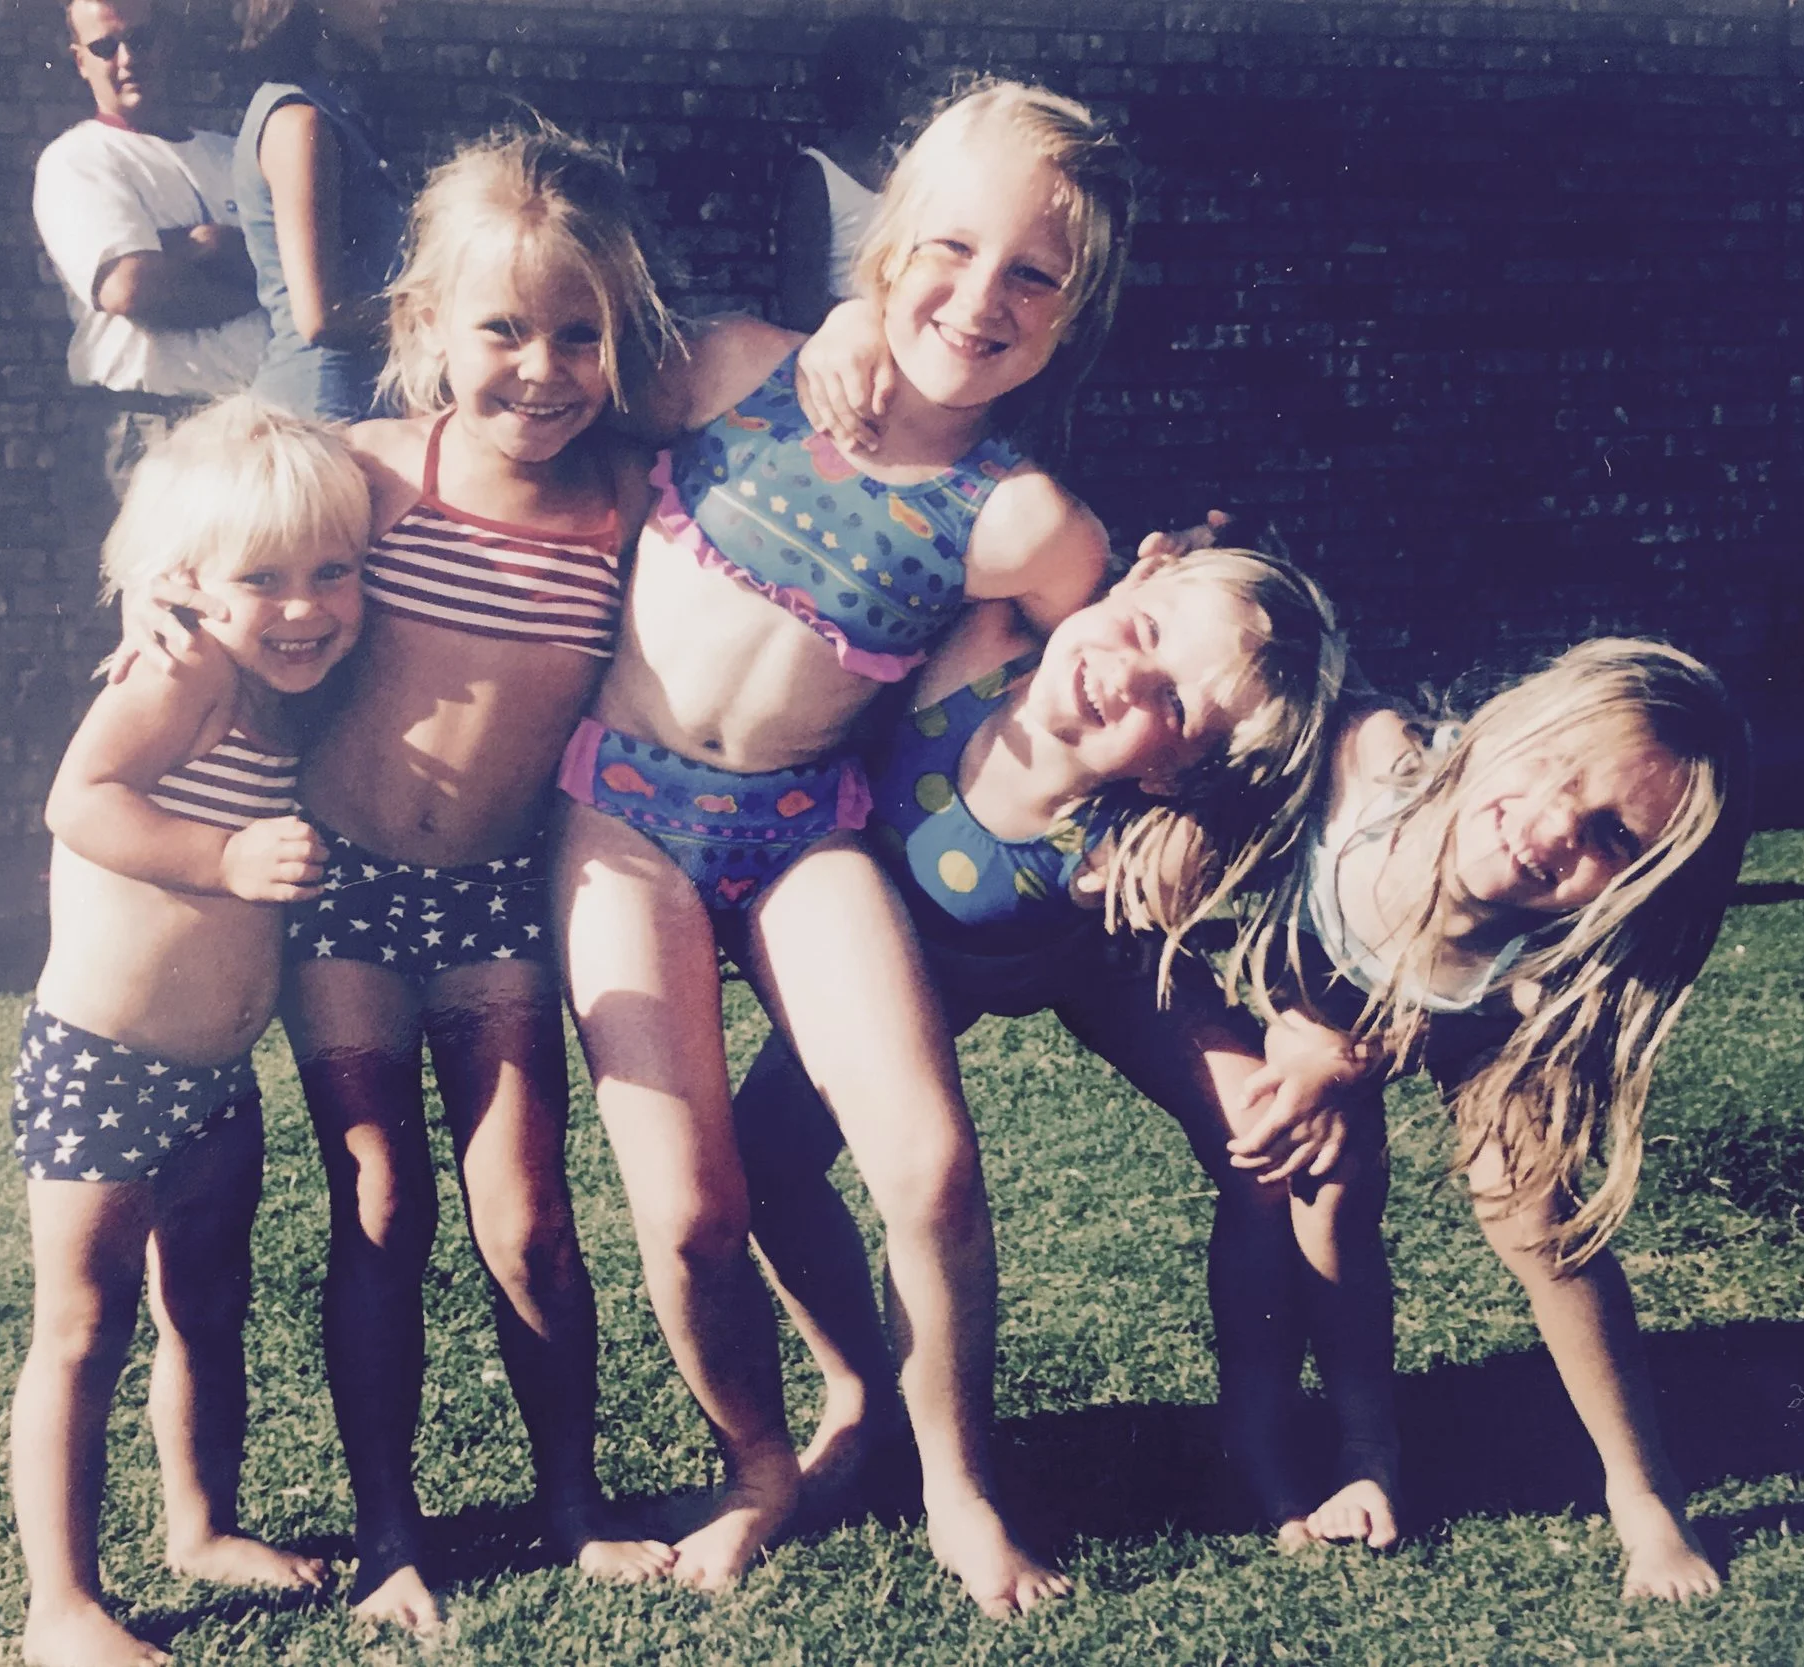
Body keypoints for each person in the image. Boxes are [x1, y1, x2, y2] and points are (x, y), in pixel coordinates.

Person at [552, 80, 1133, 1614]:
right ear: (887, 241)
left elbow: (1121, 676)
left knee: (931, 1167)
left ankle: (959, 1482)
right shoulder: (738, 368)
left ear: (1076, 312)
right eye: (949, 248)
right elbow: (526, 398)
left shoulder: (1025, 522)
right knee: (690, 1209)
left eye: (1033, 274)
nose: (980, 297)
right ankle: (763, 1459)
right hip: (622, 814)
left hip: (810, 824)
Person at [121, 127, 684, 1634]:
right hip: (346, 893)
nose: (542, 369)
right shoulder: (373, 473)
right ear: (428, 323)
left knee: (530, 1210)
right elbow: (215, 518)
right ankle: (388, 1532)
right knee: (379, 1197)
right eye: (503, 329)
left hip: (497, 896)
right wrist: (152, 608)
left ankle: (574, 1503)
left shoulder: (627, 504)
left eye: (580, 333)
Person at [726, 544, 1357, 1544]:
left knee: (1266, 1143)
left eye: (1174, 705)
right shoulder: (976, 648)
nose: (1126, 675)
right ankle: (859, 1396)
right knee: (759, 1156)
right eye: (1146, 630)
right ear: (1132, 582)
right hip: (909, 964)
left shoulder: (1149, 840)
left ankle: (1258, 1426)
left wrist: (1316, 1039)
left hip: (1094, 962)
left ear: (1177, 772)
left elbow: (1291, 915)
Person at [1228, 636, 1752, 1598]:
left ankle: (1643, 1489)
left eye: (1611, 836)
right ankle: (1365, 1447)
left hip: (1472, 1012)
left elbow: (1464, 1020)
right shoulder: (1370, 762)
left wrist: (1353, 1061)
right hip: (1319, 985)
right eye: (1557, 766)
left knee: (1534, 1208)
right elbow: (1273, 665)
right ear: (1512, 720)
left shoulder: (1557, 948)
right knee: (1328, 1175)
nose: (1552, 826)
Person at [5, 397, 369, 1667]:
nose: (304, 604)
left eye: (334, 571)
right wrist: (223, 855)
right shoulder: (184, 668)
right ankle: (61, 1606)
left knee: (206, 1307)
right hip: (103, 1063)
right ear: (186, 582)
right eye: (262, 579)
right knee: (82, 1327)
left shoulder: (274, 675)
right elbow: (80, 798)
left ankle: (200, 1523)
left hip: (215, 1074)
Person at [32, 0, 268, 517]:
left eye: (140, 40)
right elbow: (133, 289)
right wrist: (232, 259)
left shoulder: (235, 155)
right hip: (151, 429)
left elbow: (299, 270)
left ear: (168, 43)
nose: (126, 58)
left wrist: (187, 248)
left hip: (252, 425)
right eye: (104, 47)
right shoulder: (79, 160)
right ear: (80, 61)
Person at [234, 0, 410, 421]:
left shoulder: (332, 112)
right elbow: (321, 317)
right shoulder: (299, 123)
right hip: (323, 413)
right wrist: (438, 316)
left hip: (354, 402)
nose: (388, 4)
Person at [774, 16, 924, 332]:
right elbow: (801, 307)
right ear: (870, 80)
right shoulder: (815, 175)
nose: (917, 89)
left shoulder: (910, 166)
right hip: (843, 349)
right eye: (907, 76)